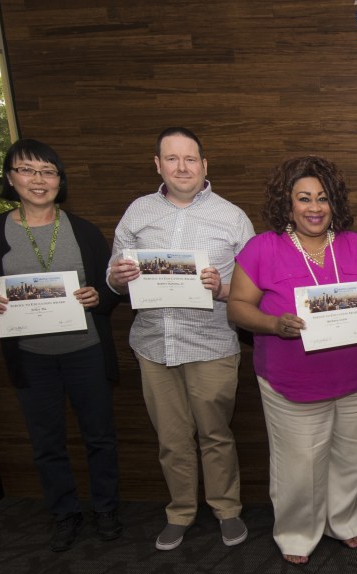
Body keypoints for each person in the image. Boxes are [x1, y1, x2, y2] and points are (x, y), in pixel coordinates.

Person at [227, 156, 357, 565]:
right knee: (298, 466)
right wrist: (272, 323)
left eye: (322, 198)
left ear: (333, 203)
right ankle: (297, 533)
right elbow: (237, 308)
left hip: (353, 380)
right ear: (288, 202)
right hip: (291, 382)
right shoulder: (263, 248)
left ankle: (346, 522)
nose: (314, 208)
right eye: (304, 199)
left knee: (350, 458)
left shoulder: (355, 245)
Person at [107, 127, 254, 551]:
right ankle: (181, 511)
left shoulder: (232, 217)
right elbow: (114, 277)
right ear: (158, 165)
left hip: (211, 345)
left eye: (190, 159)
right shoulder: (137, 213)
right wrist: (116, 278)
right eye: (172, 159)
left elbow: (252, 289)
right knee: (171, 439)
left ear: (205, 165)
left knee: (215, 435)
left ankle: (227, 510)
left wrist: (222, 288)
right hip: (153, 345)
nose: (182, 167)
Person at [0, 139, 121, 552]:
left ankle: (106, 508)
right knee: (47, 442)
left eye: (48, 171)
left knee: (100, 437)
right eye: (27, 170)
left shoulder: (84, 231)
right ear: (10, 178)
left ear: (59, 180)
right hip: (31, 357)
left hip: (86, 351)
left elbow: (110, 290)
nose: (38, 179)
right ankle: (64, 513)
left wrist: (99, 297)